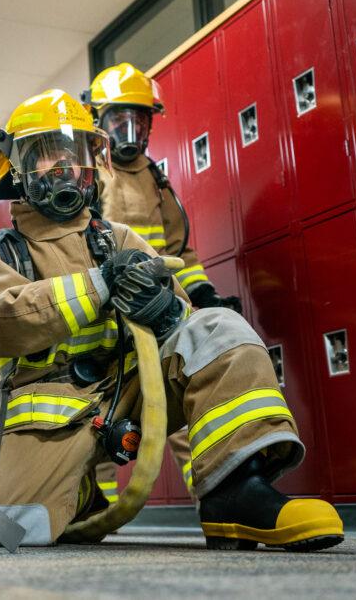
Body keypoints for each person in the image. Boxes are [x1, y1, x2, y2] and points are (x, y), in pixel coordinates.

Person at [0, 88, 343, 552]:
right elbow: (2, 318)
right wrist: (102, 283)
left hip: (131, 391)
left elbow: (184, 320)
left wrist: (164, 313)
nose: (64, 168)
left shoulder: (118, 237)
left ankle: (237, 492)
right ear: (18, 171)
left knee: (215, 329)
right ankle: (77, 495)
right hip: (53, 415)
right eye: (46, 157)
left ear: (93, 162)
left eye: (75, 154)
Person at [84, 62, 245, 502]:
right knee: (100, 406)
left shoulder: (157, 180)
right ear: (99, 121)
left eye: (139, 119)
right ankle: (94, 507)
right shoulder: (90, 175)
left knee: (183, 392)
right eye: (119, 120)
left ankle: (215, 491)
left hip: (161, 306)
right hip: (108, 311)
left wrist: (203, 291)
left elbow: (179, 249)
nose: (129, 130)